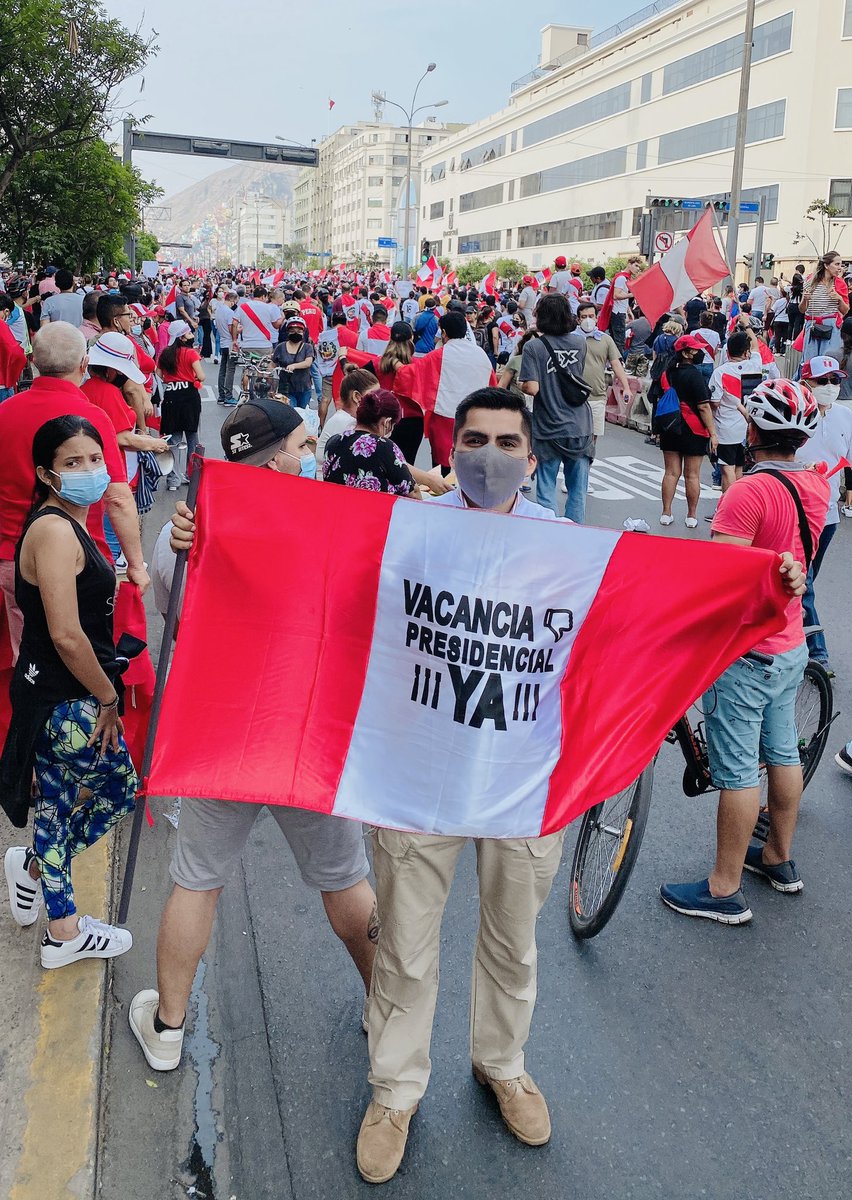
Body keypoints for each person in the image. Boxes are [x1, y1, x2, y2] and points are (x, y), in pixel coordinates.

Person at [355, 388, 568, 1186]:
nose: (489, 456)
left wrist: (769, 583)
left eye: (506, 442)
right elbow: (323, 583)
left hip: (521, 782)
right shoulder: (411, 534)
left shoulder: (566, 546)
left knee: (513, 941)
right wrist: (203, 538)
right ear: (452, 449)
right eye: (474, 439)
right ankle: (394, 1091)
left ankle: (501, 1064)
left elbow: (647, 616)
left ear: (532, 458)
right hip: (419, 779)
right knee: (405, 949)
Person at [129, 399, 377, 1071]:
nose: (311, 454)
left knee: (197, 879)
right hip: (305, 733)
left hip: (220, 733)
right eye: (302, 443)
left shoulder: (182, 531)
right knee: (346, 879)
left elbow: (170, 612)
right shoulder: (328, 529)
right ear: (273, 459)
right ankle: (387, 1012)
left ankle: (169, 1026)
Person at [661, 379, 827, 924]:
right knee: (781, 753)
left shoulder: (747, 492)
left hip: (749, 651)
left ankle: (723, 888)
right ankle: (779, 857)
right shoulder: (815, 486)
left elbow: (723, 576)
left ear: (753, 430)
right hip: (790, 642)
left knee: (736, 776)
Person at [1, 415, 137, 965]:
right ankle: (46, 888)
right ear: (46, 473)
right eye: (71, 463)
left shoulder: (72, 520)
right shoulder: (56, 530)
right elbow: (65, 633)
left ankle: (60, 925)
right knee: (119, 789)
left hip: (52, 693)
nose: (88, 471)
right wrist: (108, 698)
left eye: (95, 459)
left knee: (56, 807)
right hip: (66, 701)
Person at [0, 324, 147, 660]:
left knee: (31, 660)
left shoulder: (4, 413)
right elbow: (119, 498)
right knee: (85, 658)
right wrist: (136, 564)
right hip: (83, 558)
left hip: (14, 558)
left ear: (34, 361)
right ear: (84, 364)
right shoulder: (91, 417)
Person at [795, 355, 852, 671]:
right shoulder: (792, 412)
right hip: (792, 510)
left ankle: (791, 636)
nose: (830, 387)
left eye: (835, 381)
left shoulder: (845, 417)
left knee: (802, 580)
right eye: (823, 381)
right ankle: (817, 652)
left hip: (827, 517)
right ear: (806, 383)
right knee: (805, 579)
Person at [517, 293, 591, 521]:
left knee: (547, 488)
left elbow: (532, 388)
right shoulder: (580, 342)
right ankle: (575, 532)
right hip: (579, 425)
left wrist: (520, 383)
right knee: (578, 490)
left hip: (548, 426)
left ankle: (551, 532)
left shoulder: (534, 347)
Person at [658, 335, 717, 529]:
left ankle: (666, 512)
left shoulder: (667, 373)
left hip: (670, 427)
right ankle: (691, 515)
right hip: (694, 429)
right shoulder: (694, 375)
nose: (699, 352)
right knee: (692, 475)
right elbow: (704, 407)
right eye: (695, 349)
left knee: (671, 472)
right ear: (687, 353)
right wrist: (713, 433)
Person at [323, 388, 417, 496]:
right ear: (387, 422)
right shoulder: (384, 447)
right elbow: (412, 492)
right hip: (372, 511)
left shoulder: (333, 442)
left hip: (337, 509)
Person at [708, 331, 759, 494]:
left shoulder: (721, 372)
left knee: (726, 469)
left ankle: (730, 505)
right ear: (746, 352)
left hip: (725, 427)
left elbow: (714, 402)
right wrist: (748, 326)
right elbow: (757, 346)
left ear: (727, 351)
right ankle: (733, 503)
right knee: (738, 468)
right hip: (746, 426)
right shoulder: (755, 365)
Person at [157, 320, 204, 491]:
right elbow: (201, 375)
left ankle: (173, 480)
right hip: (189, 398)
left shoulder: (165, 354)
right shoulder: (190, 354)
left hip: (171, 398)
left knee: (174, 440)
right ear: (182, 337)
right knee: (193, 439)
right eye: (189, 333)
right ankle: (192, 475)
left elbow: (159, 374)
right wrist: (193, 379)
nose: (192, 336)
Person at [575, 301, 631, 443]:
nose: (587, 320)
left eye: (591, 316)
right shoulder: (570, 339)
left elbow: (616, 364)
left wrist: (626, 387)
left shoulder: (605, 340)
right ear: (578, 319)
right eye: (583, 317)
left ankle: (588, 464)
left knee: (592, 439)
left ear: (596, 318)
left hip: (597, 396)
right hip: (573, 397)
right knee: (575, 438)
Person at [316, 368, 377, 464]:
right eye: (374, 396)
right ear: (357, 397)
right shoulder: (347, 422)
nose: (379, 400)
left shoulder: (346, 418)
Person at [800, 251, 849, 363]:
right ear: (826, 265)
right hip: (812, 324)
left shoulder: (840, 284)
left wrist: (839, 298)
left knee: (829, 361)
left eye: (840, 265)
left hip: (831, 324)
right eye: (836, 264)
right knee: (810, 361)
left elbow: (846, 311)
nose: (839, 268)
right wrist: (805, 299)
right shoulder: (810, 282)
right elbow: (802, 309)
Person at [273, 317, 314, 408]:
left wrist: (294, 366)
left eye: (299, 331)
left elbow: (308, 362)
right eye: (292, 331)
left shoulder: (307, 347)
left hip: (304, 388)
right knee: (291, 410)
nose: (296, 333)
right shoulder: (280, 347)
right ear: (287, 332)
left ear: (303, 333)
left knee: (303, 414)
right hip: (286, 388)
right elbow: (272, 364)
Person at [214, 290, 240, 405]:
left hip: (223, 341)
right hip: (229, 342)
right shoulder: (229, 312)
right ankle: (228, 396)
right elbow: (231, 328)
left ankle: (221, 395)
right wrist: (238, 331)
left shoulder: (219, 310)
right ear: (232, 300)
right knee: (230, 369)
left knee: (223, 370)